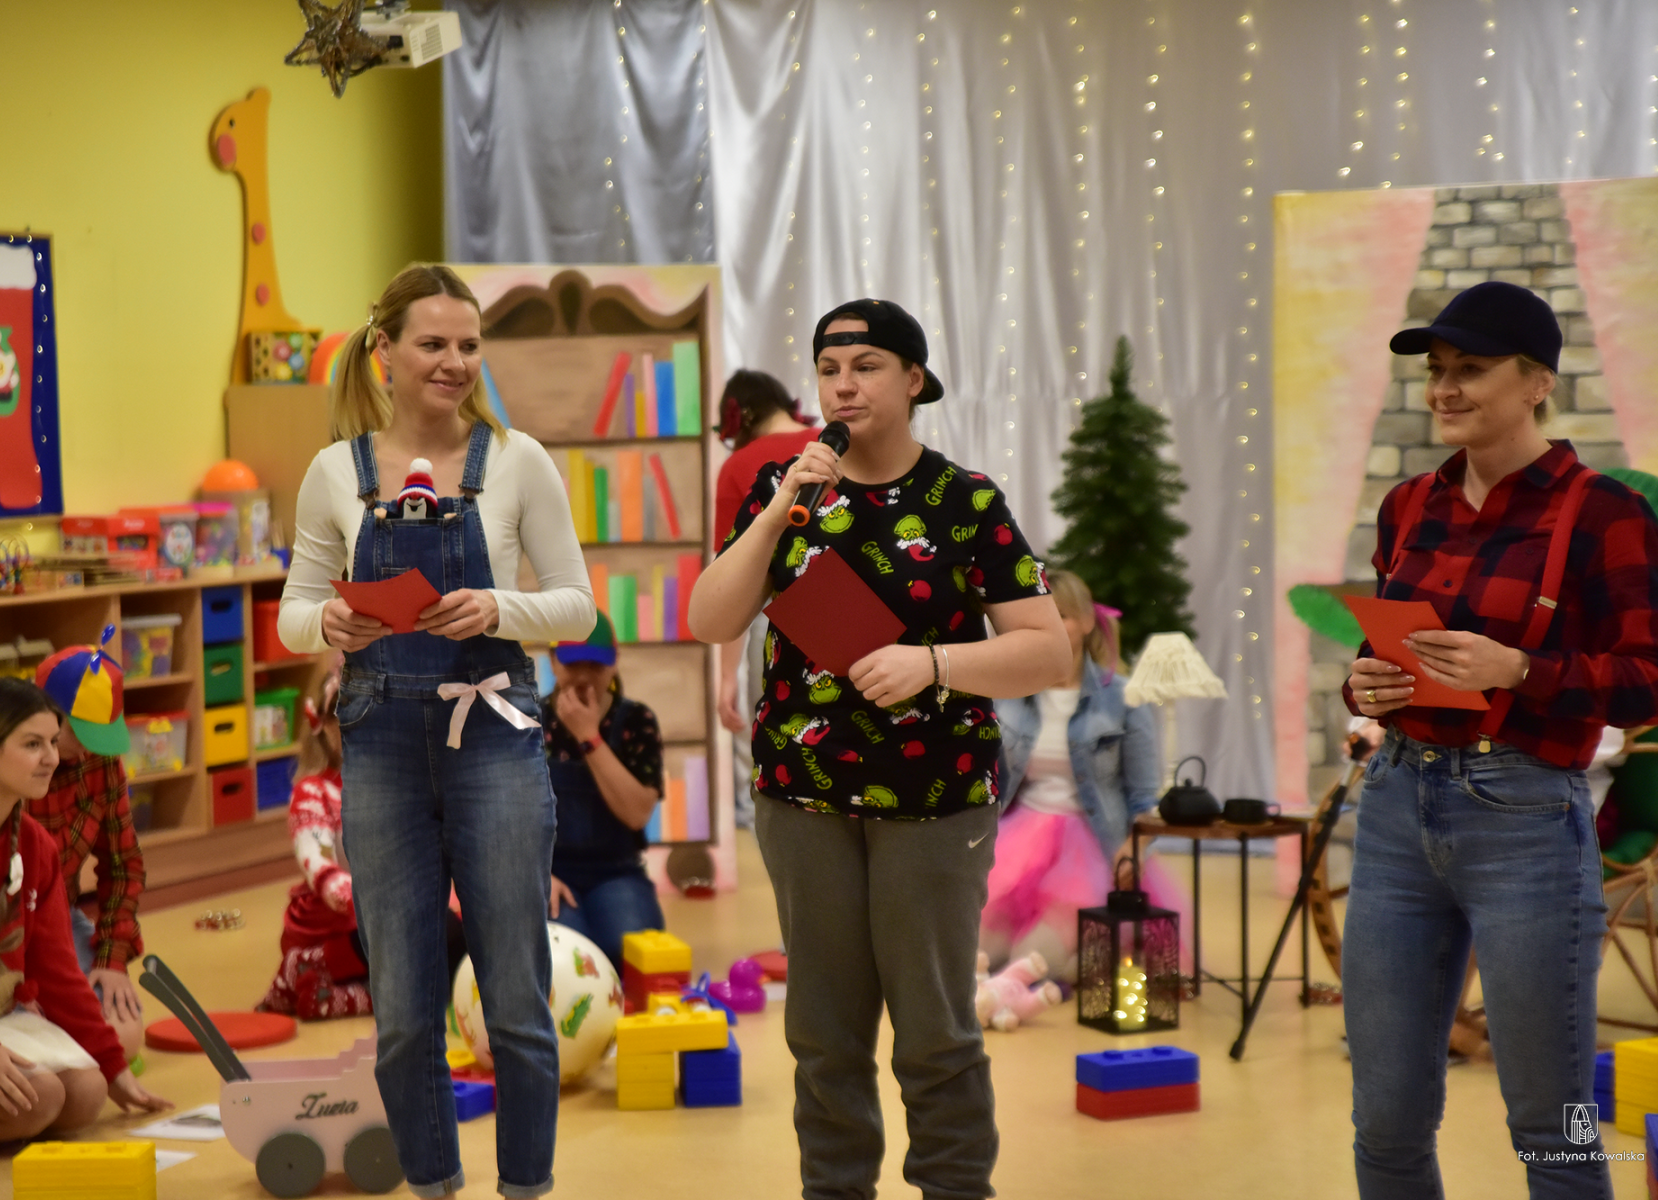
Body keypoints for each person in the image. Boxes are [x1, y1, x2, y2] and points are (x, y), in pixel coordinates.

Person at [689, 298, 1070, 1200]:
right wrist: (779, 510)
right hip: (801, 797)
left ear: (913, 379)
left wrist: (933, 663)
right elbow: (709, 618)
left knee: (936, 1034)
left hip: (934, 801)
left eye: (864, 367)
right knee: (823, 1038)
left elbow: (1049, 652)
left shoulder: (966, 499)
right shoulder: (786, 487)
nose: (843, 386)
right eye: (828, 370)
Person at [1343, 281, 1658, 1199]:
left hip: (1528, 820)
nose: (1445, 388)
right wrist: (1364, 685)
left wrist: (1522, 669)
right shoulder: (1408, 506)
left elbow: (1656, 684)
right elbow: (1387, 652)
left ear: (1537, 383)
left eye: (1471, 368)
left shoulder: (1605, 512)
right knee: (1384, 1119)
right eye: (1437, 370)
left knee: (1553, 1126)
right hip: (1395, 808)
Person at [279, 264, 596, 1199]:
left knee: (517, 1004)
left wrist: (498, 608)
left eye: (468, 345)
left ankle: (525, 1187)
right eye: (433, 344)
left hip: (494, 737)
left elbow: (576, 607)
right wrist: (331, 624)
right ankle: (433, 1185)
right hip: (379, 743)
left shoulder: (519, 461)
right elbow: (293, 615)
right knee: (406, 1014)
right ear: (384, 352)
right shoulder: (334, 472)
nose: (455, 362)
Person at [0, 678, 170, 1162]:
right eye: (32, 745)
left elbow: (57, 969)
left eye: (52, 742)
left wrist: (114, 1068)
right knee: (39, 1100)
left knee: (87, 1092)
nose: (51, 758)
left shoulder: (35, 844)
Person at [0, 631, 150, 1062]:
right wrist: (15, 982)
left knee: (122, 1038)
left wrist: (110, 959)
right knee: (23, 1052)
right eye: (78, 732)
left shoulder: (101, 762)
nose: (89, 747)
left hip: (52, 920)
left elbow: (124, 864)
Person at [982, 570, 1187, 982]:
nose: (1051, 627)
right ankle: (1082, 965)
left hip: (1092, 848)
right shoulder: (1010, 694)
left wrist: (1134, 848)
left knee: (1029, 962)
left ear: (1088, 621)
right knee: (982, 955)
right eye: (1042, 617)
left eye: (1063, 615)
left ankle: (1089, 960)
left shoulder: (1124, 698)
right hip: (1018, 844)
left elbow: (1145, 796)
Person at [712, 369, 819, 829]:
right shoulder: (832, 444)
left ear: (741, 416)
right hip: (864, 606)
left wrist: (727, 678)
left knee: (783, 738)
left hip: (780, 615)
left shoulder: (739, 467)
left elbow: (733, 585)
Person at [541, 610, 667, 971]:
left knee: (629, 953)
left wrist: (589, 737)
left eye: (595, 665)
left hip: (617, 871)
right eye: (572, 664)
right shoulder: (529, 719)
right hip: (548, 870)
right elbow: (508, 816)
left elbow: (637, 814)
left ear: (614, 663)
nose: (583, 677)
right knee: (567, 958)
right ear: (553, 661)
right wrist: (536, 876)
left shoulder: (638, 720)